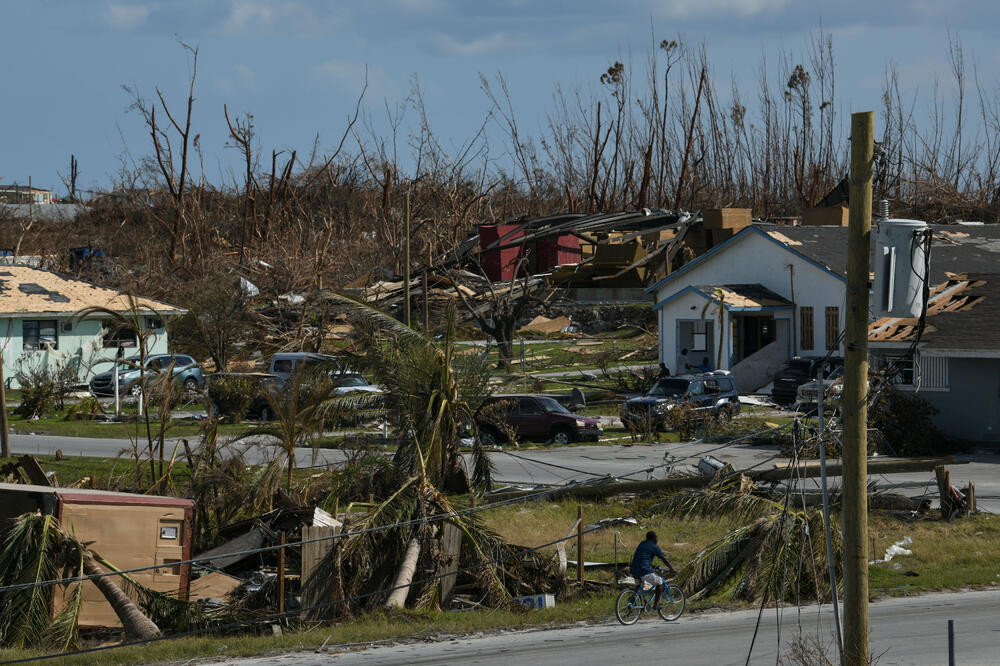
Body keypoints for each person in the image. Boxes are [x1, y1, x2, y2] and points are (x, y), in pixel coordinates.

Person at [629, 531, 674, 608]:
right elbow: (664, 559)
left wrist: (652, 566)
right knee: (659, 582)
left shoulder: (642, 543)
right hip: (643, 570)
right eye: (656, 538)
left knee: (640, 585)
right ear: (653, 538)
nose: (657, 540)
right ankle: (656, 604)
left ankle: (631, 601)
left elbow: (643, 557)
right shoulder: (654, 546)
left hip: (633, 569)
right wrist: (672, 569)